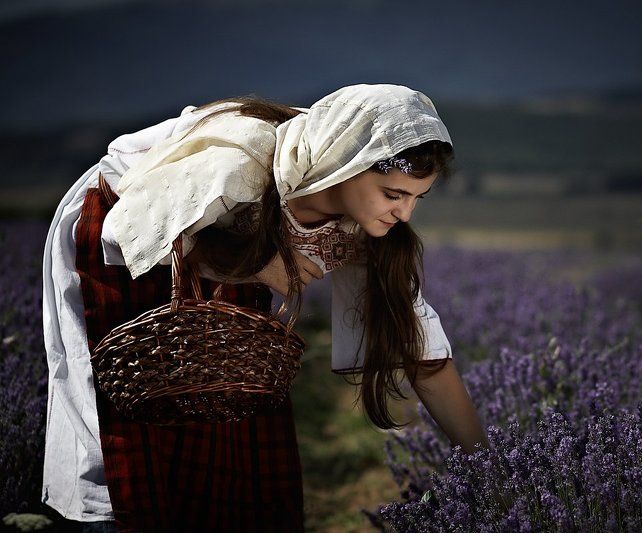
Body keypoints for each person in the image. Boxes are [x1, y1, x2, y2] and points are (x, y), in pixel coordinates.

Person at [41, 84, 489, 532]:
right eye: (393, 194)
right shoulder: (245, 160)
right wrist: (259, 264)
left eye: (416, 198)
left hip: (227, 251)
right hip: (123, 230)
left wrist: (488, 469)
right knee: (135, 402)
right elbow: (129, 233)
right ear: (349, 165)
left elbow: (423, 353)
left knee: (229, 405)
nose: (405, 213)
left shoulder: (371, 229)